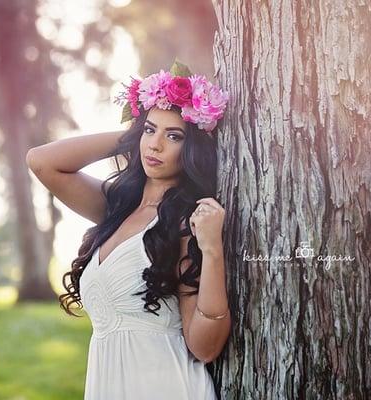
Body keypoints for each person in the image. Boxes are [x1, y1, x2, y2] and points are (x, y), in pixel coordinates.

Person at [26, 59, 231, 399]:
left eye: (174, 136)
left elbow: (204, 347)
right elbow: (42, 161)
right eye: (150, 131)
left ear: (193, 147)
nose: (155, 145)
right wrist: (136, 133)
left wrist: (211, 250)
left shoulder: (184, 222)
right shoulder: (116, 209)